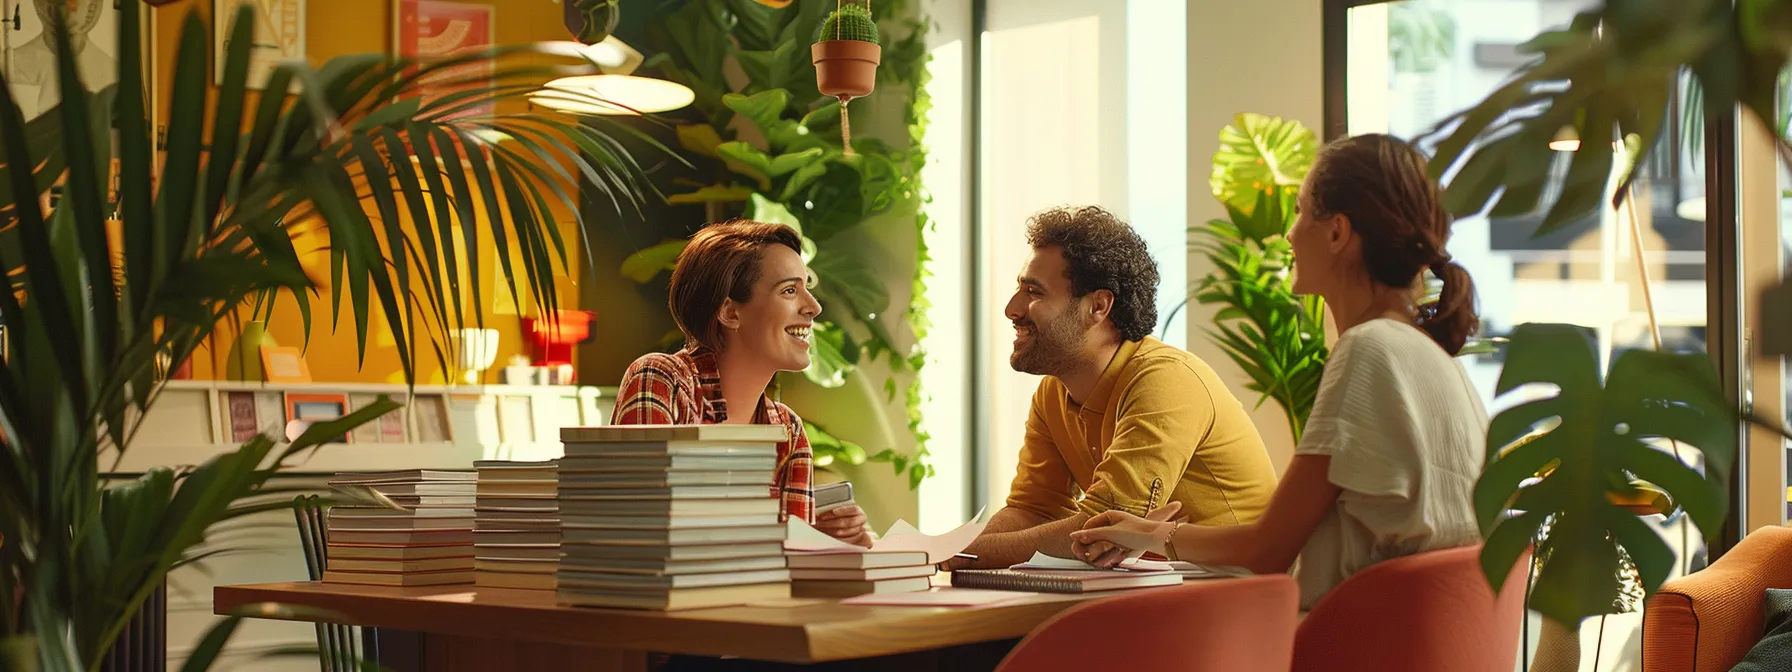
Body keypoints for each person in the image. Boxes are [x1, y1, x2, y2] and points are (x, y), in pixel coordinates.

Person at [1070, 134, 1488, 609]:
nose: (1288, 235)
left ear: (1336, 233)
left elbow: (1266, 551)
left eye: (1299, 211)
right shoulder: (1436, 361)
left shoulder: (1368, 351)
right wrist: (1146, 531)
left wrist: (1151, 536)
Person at [950, 206, 1279, 570]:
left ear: (1098, 306)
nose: (1013, 308)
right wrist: (963, 553)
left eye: (1033, 292)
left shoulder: (1165, 380)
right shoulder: (1052, 393)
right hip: (1145, 593)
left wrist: (961, 554)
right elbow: (1033, 509)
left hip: (1229, 595)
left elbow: (1103, 526)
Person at [611, 220, 871, 547]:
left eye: (807, 287)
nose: (814, 307)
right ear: (731, 313)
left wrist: (832, 543)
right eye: (790, 290)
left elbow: (789, 567)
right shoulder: (661, 381)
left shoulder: (789, 431)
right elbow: (639, 528)